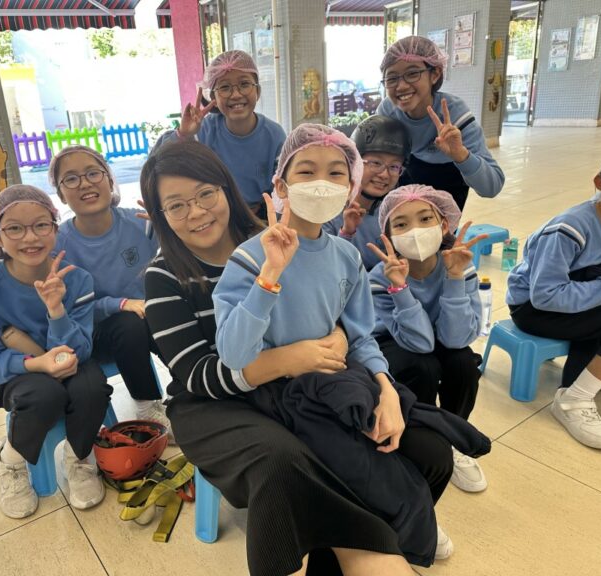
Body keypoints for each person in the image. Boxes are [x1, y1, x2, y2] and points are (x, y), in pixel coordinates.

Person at [141, 140, 423, 576]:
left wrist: (341, 340)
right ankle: (360, 549)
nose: (196, 213)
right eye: (176, 206)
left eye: (205, 194)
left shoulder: (277, 237)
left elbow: (332, 306)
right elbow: (198, 375)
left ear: (226, 189)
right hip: (210, 405)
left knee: (388, 436)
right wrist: (288, 360)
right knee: (280, 460)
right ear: (160, 216)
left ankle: (368, 542)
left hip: (294, 386)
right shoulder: (163, 276)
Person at [213, 124, 489, 568]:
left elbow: (360, 336)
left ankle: (407, 522)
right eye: (307, 171)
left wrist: (386, 390)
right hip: (280, 394)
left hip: (340, 379)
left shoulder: (345, 257)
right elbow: (233, 354)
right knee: (366, 470)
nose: (322, 183)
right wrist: (270, 276)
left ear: (350, 187)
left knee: (432, 452)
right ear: (281, 187)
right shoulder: (250, 257)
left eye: (336, 173)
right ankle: (394, 526)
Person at [0, 185, 112, 519]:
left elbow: (82, 349)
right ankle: (10, 460)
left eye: (41, 225)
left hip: (71, 359)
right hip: (16, 373)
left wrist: (56, 310)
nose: (30, 237)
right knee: (44, 395)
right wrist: (36, 364)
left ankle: (79, 458)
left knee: (92, 388)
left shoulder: (78, 280)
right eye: (15, 228)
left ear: (55, 229)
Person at [367, 184, 488, 492]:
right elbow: (419, 344)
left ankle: (454, 437)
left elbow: (457, 339)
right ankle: (422, 438)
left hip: (444, 336)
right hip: (396, 342)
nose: (415, 231)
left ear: (444, 225)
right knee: (423, 366)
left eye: (425, 219)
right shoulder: (380, 277)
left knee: (463, 363)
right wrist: (400, 288)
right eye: (401, 224)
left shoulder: (460, 266)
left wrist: (455, 277)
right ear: (389, 236)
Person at [507, 146, 601, 450]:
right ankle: (574, 398)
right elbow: (546, 295)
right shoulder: (569, 228)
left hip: (577, 296)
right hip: (533, 307)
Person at [48, 145, 171, 436]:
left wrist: (170, 225)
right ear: (61, 194)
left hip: (145, 319)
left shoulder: (140, 223)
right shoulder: (58, 244)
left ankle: (194, 387)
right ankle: (147, 408)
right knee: (129, 322)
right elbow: (67, 308)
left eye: (93, 173)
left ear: (109, 179)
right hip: (91, 335)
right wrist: (120, 303)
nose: (85, 183)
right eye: (71, 179)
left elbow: (178, 254)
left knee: (169, 311)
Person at [376, 35, 504, 211]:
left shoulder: (456, 118)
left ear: (435, 74)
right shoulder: (388, 114)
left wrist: (461, 155)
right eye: (392, 78)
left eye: (412, 74)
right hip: (403, 201)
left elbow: (492, 187)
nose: (402, 86)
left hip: (447, 201)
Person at [153, 49, 286, 218]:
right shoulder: (203, 132)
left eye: (244, 84)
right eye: (224, 87)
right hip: (211, 216)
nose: (236, 94)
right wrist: (183, 134)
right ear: (213, 97)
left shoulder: (274, 136)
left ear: (257, 91)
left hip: (259, 217)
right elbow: (158, 163)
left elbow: (283, 188)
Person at [323, 115, 411, 270]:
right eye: (376, 163)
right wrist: (346, 233)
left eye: (394, 167)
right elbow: (325, 269)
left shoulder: (396, 212)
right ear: (354, 162)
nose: (384, 174)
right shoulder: (326, 210)